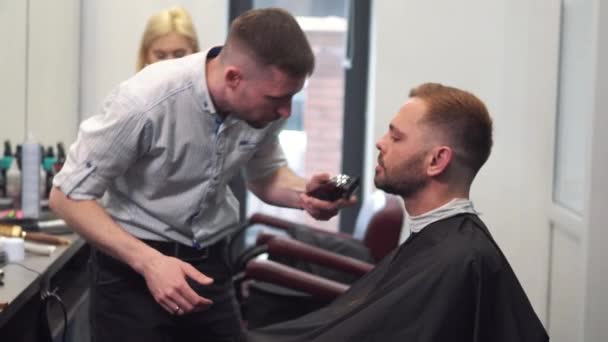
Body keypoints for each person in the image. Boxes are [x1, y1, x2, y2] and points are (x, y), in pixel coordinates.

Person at [49, 8, 354, 342]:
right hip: (133, 275)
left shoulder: (265, 106)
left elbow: (265, 176)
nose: (286, 111)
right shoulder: (145, 102)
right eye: (277, 99)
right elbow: (67, 196)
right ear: (234, 78)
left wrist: (303, 194)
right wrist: (150, 263)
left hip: (211, 268)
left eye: (291, 97)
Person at [246, 83, 549, 341]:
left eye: (396, 137)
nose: (381, 142)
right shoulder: (448, 244)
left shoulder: (457, 260)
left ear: (436, 161)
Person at [136, 6, 200, 72]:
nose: (169, 64)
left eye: (179, 55)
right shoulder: (132, 82)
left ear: (195, 53)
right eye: (160, 56)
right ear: (146, 56)